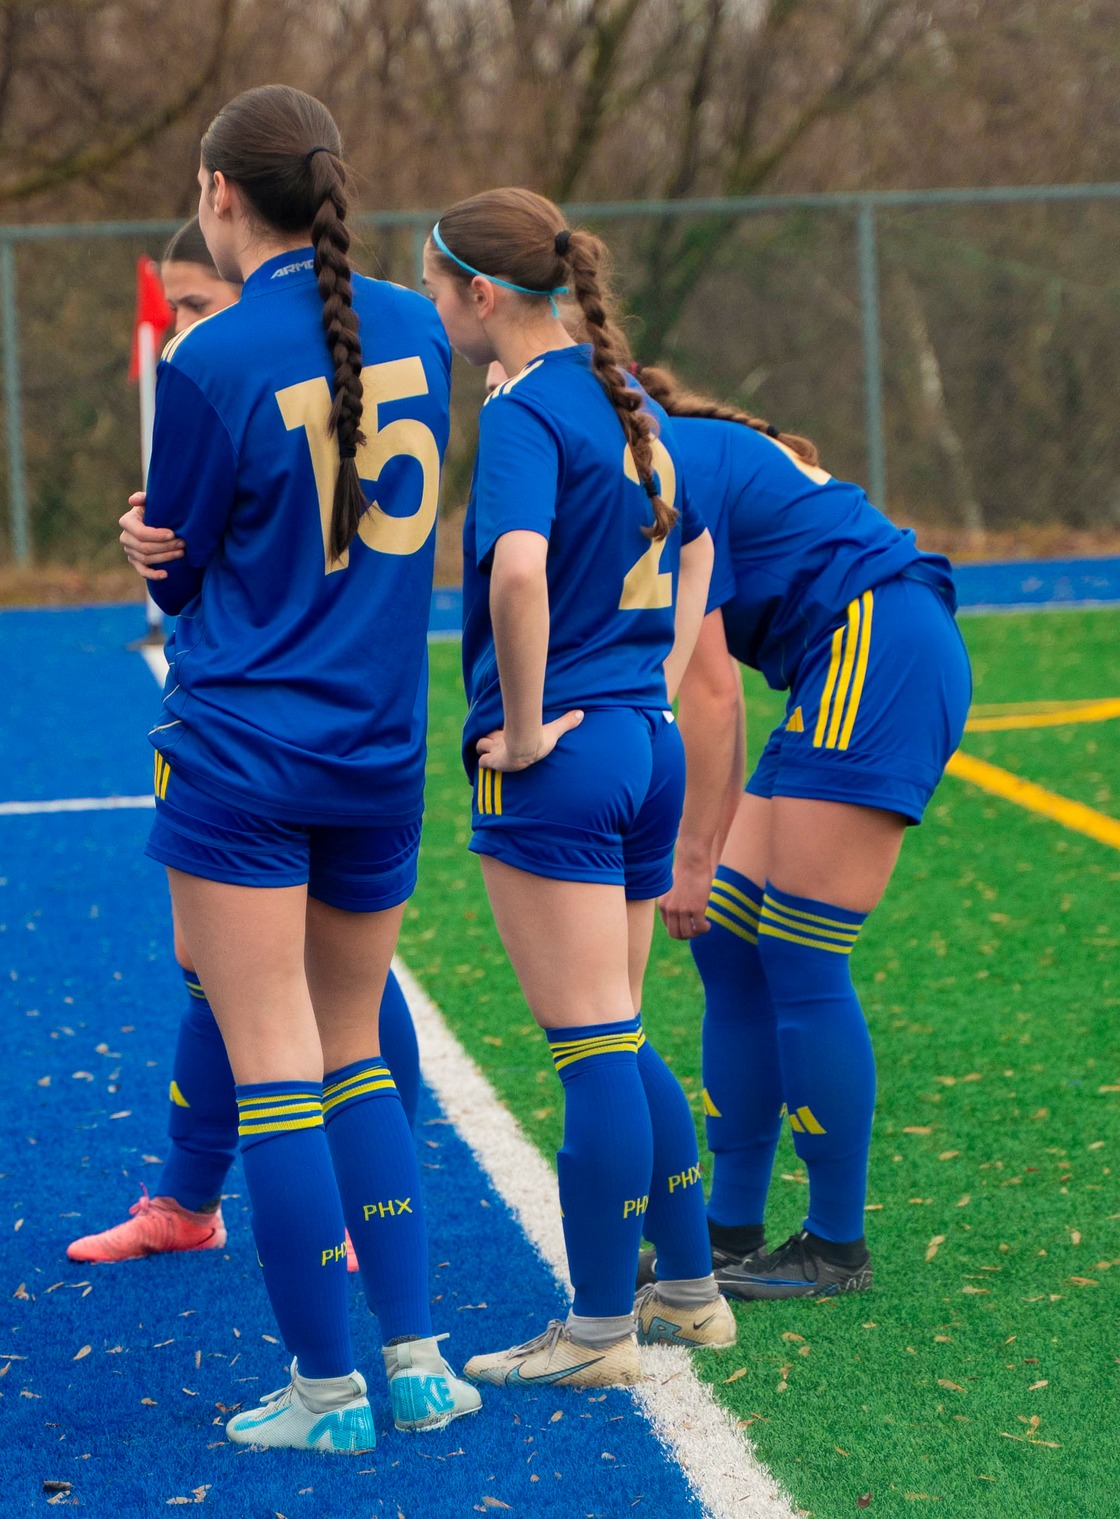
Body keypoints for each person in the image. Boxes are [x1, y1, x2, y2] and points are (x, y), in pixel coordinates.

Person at [130, 86, 478, 1454]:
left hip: (245, 755)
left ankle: (327, 1396)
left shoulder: (208, 358)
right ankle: (418, 1362)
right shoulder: (416, 327)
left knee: (274, 1067)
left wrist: (148, 548)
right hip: (379, 749)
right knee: (355, 1053)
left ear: (219, 193)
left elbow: (182, 572)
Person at [422, 188, 733, 1391]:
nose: (435, 309)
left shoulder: (520, 410)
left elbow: (515, 574)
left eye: (435, 288)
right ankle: (689, 1290)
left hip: (563, 757)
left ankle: (598, 1329)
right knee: (619, 1027)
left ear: (478, 293)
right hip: (644, 745)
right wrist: (652, 671)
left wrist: (518, 720)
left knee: (591, 1043)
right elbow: (697, 545)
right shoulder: (626, 397)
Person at [77, 220, 424, 1267]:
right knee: (214, 964)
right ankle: (191, 1199)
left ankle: (361, 1202)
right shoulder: (357, 347)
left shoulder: (249, 365)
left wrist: (161, 550)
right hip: (293, 717)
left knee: (336, 983)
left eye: (195, 301)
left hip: (266, 726)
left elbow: (196, 573)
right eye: (174, 305)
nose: (180, 324)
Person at [642, 363, 970, 1298]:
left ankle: (834, 1249)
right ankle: (730, 1229)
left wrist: (692, 854)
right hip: (844, 658)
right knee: (730, 940)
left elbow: (712, 693)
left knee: (798, 949)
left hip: (877, 646)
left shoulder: (659, 460)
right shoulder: (666, 448)